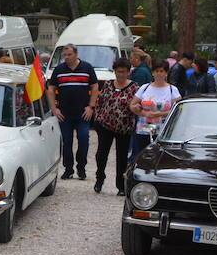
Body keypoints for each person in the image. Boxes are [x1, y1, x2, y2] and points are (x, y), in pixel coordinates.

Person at [49, 45, 100, 180]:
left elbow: (95, 86)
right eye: (64, 55)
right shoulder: (59, 70)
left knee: (84, 140)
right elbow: (51, 88)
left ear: (76, 54)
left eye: (69, 54)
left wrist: (91, 106)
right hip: (64, 114)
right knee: (66, 142)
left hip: (82, 113)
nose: (67, 57)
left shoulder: (87, 68)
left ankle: (81, 167)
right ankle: (68, 168)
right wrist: (54, 108)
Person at [92, 57, 137, 195]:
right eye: (118, 71)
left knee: (122, 157)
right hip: (105, 125)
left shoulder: (135, 87)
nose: (121, 74)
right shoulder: (108, 84)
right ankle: (100, 179)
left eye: (123, 72)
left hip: (124, 127)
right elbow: (100, 101)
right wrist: (97, 118)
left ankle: (121, 185)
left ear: (128, 72)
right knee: (101, 154)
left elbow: (136, 106)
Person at [129, 60, 181, 161]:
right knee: (141, 156)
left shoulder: (172, 90)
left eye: (161, 71)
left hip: (163, 130)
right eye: (156, 71)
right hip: (144, 129)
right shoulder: (145, 88)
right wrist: (143, 112)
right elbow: (132, 104)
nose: (159, 74)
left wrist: (160, 113)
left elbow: (178, 110)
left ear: (166, 73)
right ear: (152, 73)